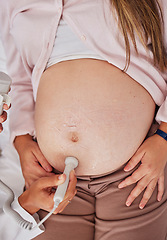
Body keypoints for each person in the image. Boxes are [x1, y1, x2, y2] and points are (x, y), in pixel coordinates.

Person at [0, 0, 167, 239]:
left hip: (135, 173)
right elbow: (19, 81)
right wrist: (22, 141)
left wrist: (164, 136)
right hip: (51, 179)